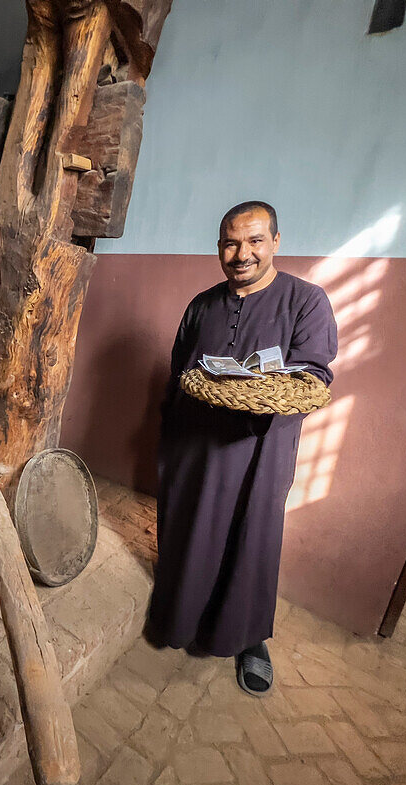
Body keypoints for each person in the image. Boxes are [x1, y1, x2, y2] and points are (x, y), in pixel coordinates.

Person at [146, 201, 338, 696]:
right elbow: (178, 371)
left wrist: (265, 388)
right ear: (219, 248)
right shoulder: (202, 304)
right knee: (189, 529)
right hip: (195, 443)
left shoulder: (306, 300)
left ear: (275, 242)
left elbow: (314, 372)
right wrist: (169, 436)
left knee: (252, 538)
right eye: (231, 242)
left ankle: (248, 637)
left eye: (254, 241)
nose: (242, 253)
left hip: (261, 450)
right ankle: (180, 617)